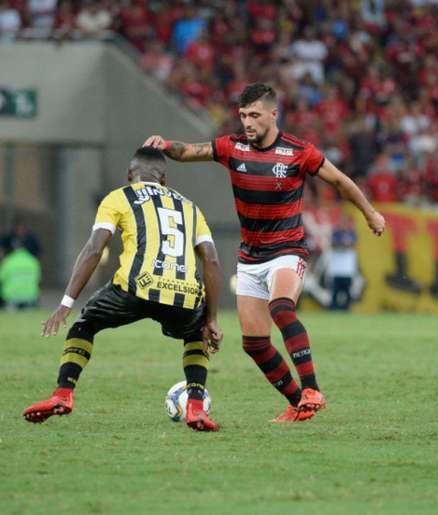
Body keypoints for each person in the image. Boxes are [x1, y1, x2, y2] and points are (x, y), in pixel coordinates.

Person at [144, 82, 385, 423]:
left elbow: (341, 182)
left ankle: (312, 388)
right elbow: (189, 151)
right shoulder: (232, 147)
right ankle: (298, 402)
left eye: (254, 115)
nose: (247, 122)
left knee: (281, 307)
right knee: (254, 343)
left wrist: (371, 213)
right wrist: (165, 144)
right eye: (243, 115)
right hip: (250, 257)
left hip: (288, 250)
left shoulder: (298, 151)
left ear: (274, 114)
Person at [22, 147, 223, 432]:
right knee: (195, 333)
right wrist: (211, 318)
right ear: (164, 180)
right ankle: (196, 408)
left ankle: (63, 395)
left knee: (85, 324)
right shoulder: (190, 206)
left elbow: (94, 248)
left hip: (135, 287)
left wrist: (66, 302)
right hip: (185, 293)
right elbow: (212, 260)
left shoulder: (119, 196)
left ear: (130, 175)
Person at [0, 240, 41, 309]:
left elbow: (1, 279)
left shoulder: (8, 261)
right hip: (30, 297)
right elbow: (38, 279)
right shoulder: (33, 261)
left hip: (11, 297)